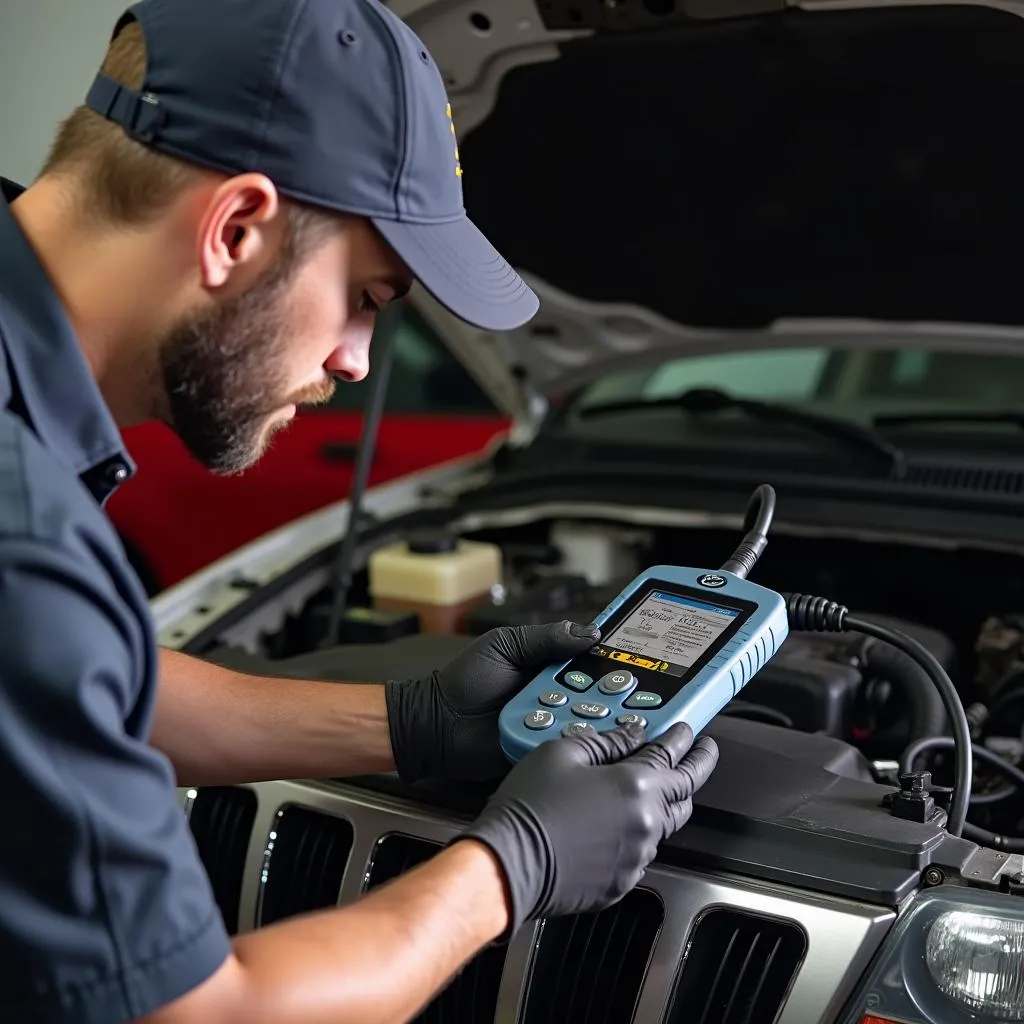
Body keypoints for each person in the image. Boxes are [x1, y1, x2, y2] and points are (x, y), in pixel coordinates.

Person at [0, 1, 720, 1022]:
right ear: (236, 228)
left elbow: (86, 686)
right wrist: (511, 867)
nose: (355, 360)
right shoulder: (23, 537)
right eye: (369, 298)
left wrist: (414, 724)